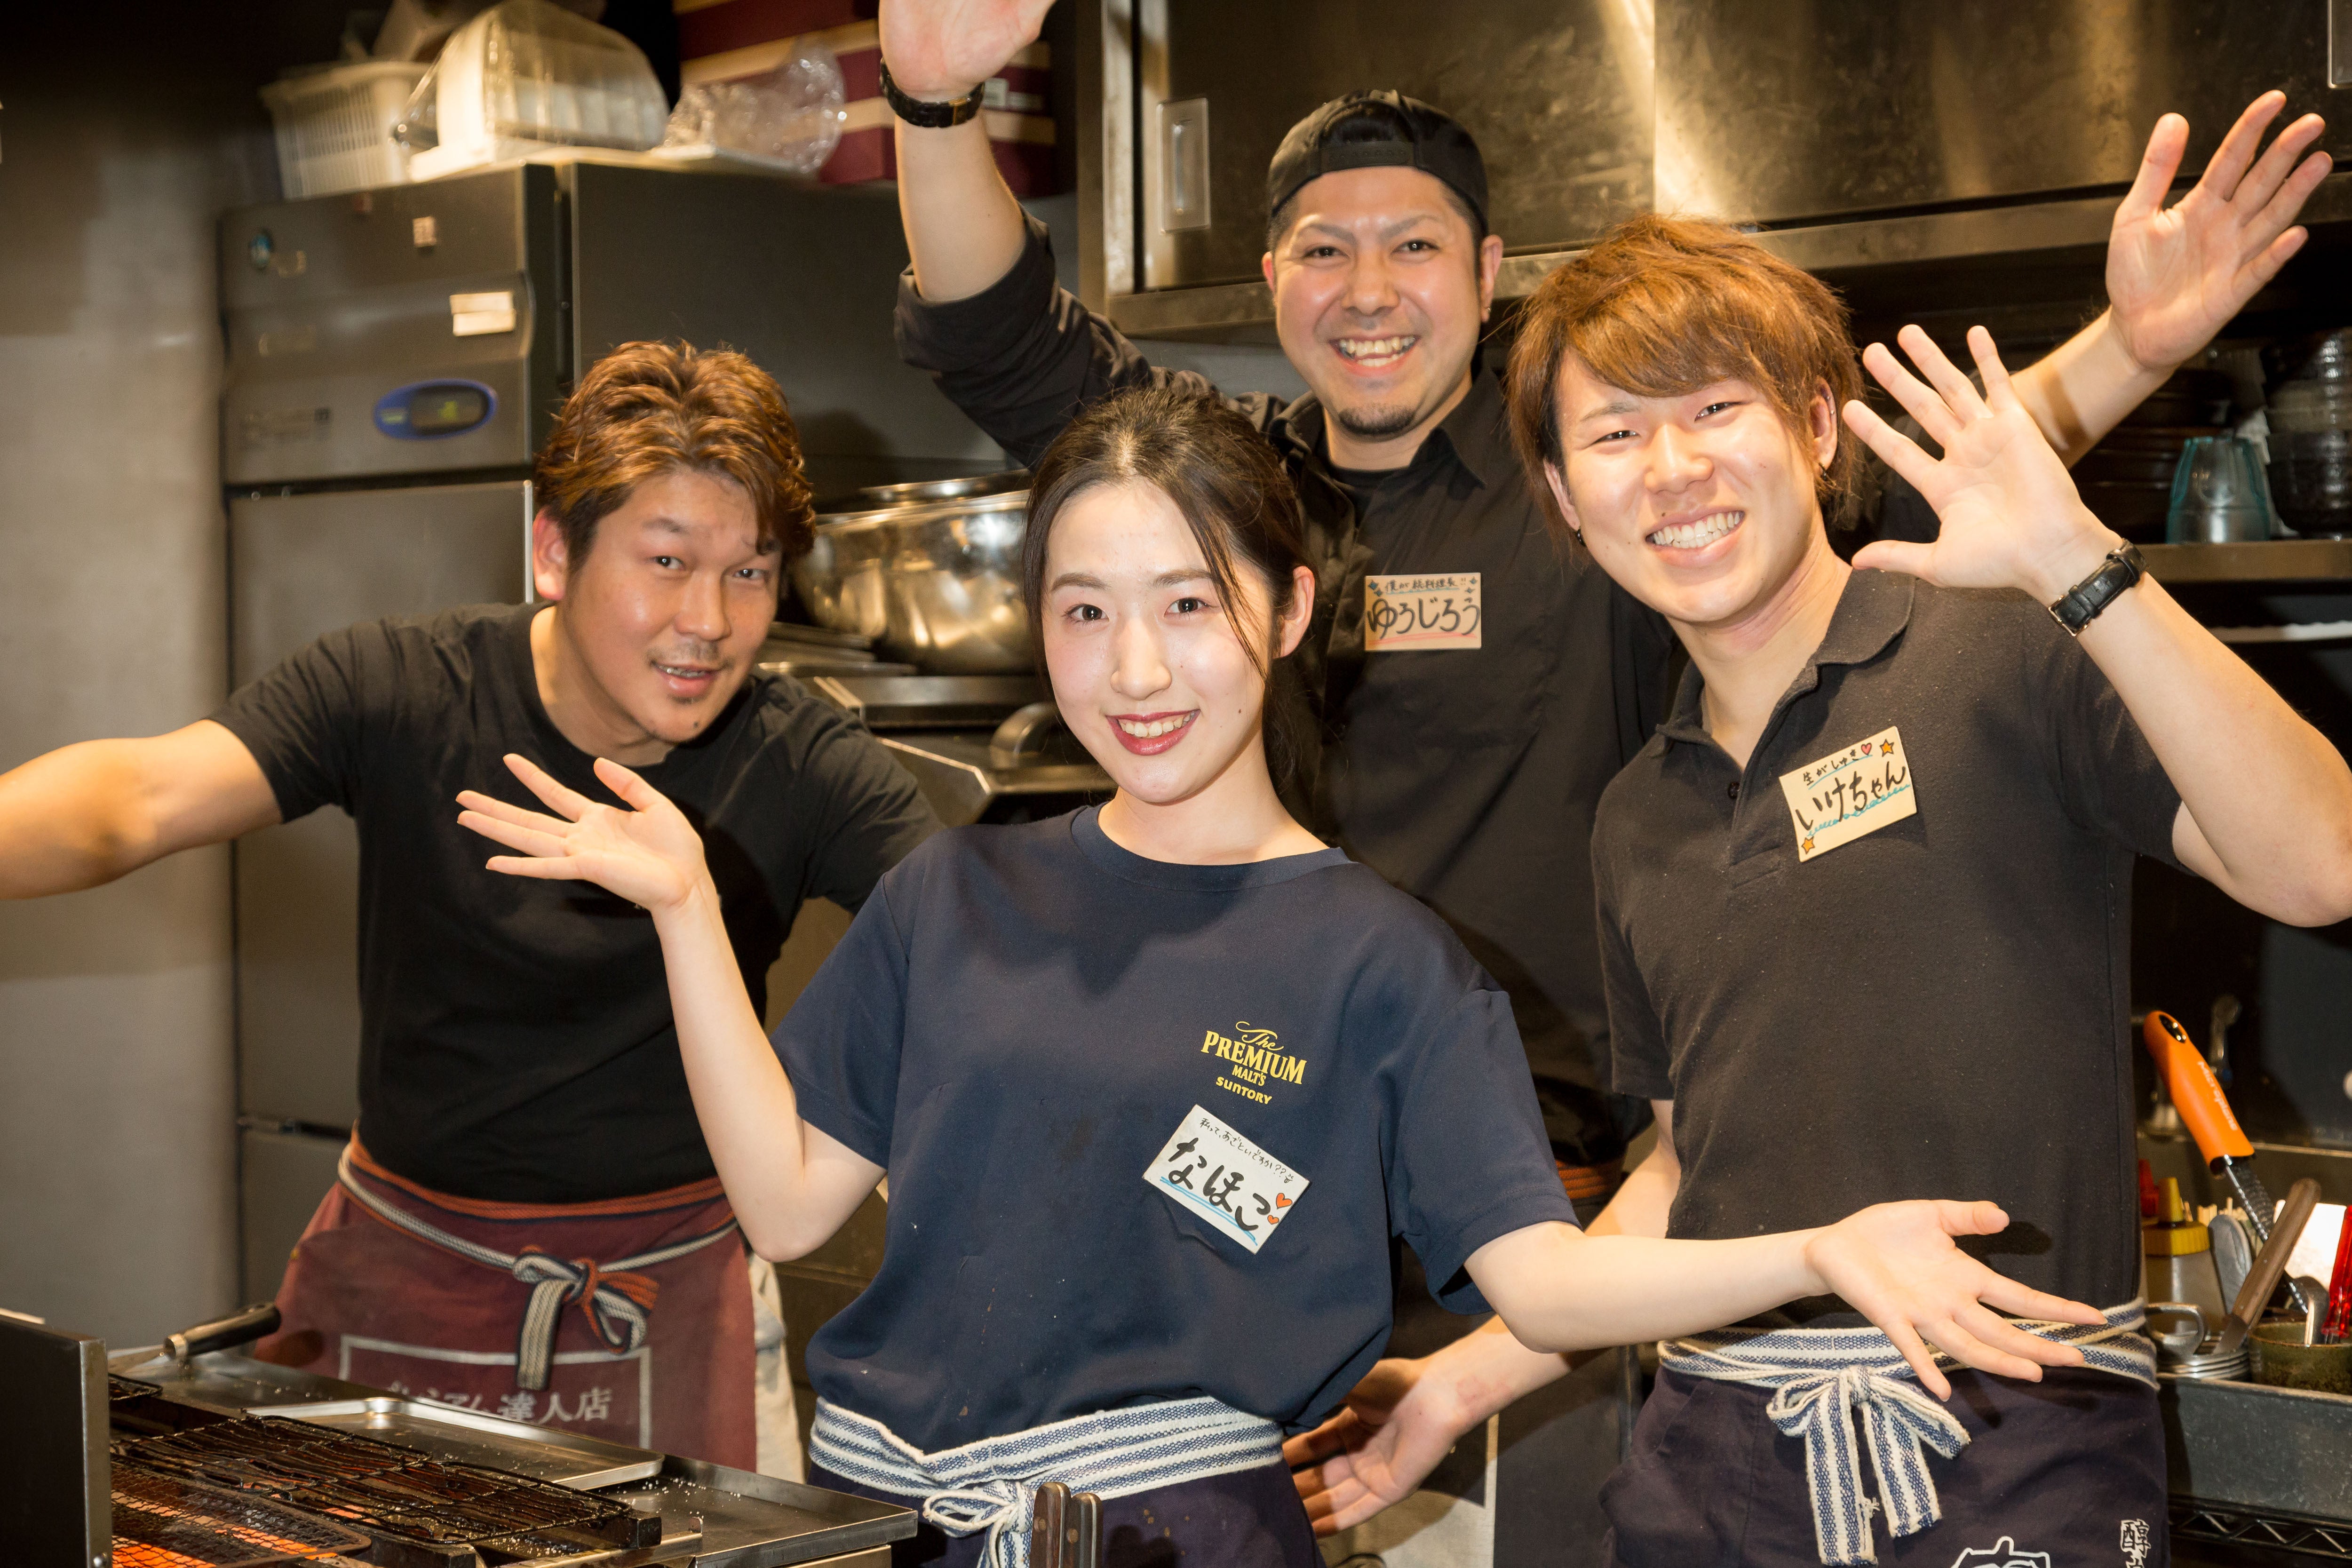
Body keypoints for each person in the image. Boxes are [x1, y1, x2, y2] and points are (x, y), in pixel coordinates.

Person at [456, 385, 2111, 1568]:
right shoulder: (955, 889)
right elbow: (787, 1202)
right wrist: (687, 911)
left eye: (1189, 602)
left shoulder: (1381, 962)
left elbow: (1544, 1283)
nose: (1137, 667)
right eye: (1085, 612)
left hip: (1180, 1539)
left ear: (1290, 603)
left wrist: (1818, 1248)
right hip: (896, 1525)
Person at [877, 0, 2331, 1233]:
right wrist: (932, 105)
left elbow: (1930, 474)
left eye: (1415, 247)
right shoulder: (1218, 488)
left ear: (1487, 271)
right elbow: (1005, 339)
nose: (1368, 291)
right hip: (1265, 1172)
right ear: (1273, 282)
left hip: (1538, 1187)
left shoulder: (1595, 476)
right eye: (1323, 250)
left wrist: (2133, 348)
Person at [1287, 90, 2340, 1544]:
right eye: (1615, 432)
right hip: (1715, 1467)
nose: (1672, 470)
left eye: (1715, 409)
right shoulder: (1638, 815)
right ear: (1564, 497)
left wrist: (2084, 567)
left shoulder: (2000, 646)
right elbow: (1684, 1166)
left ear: (1817, 428)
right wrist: (1458, 1385)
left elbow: (2322, 862)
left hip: (2013, 1443)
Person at [0, 341, 939, 1472]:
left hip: (672, 1293)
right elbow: (136, 799)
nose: (709, 619)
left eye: (750, 571)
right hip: (403, 1269)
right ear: (554, 552)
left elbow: (968, 944)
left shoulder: (803, 761)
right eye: (666, 560)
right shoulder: (402, 687)